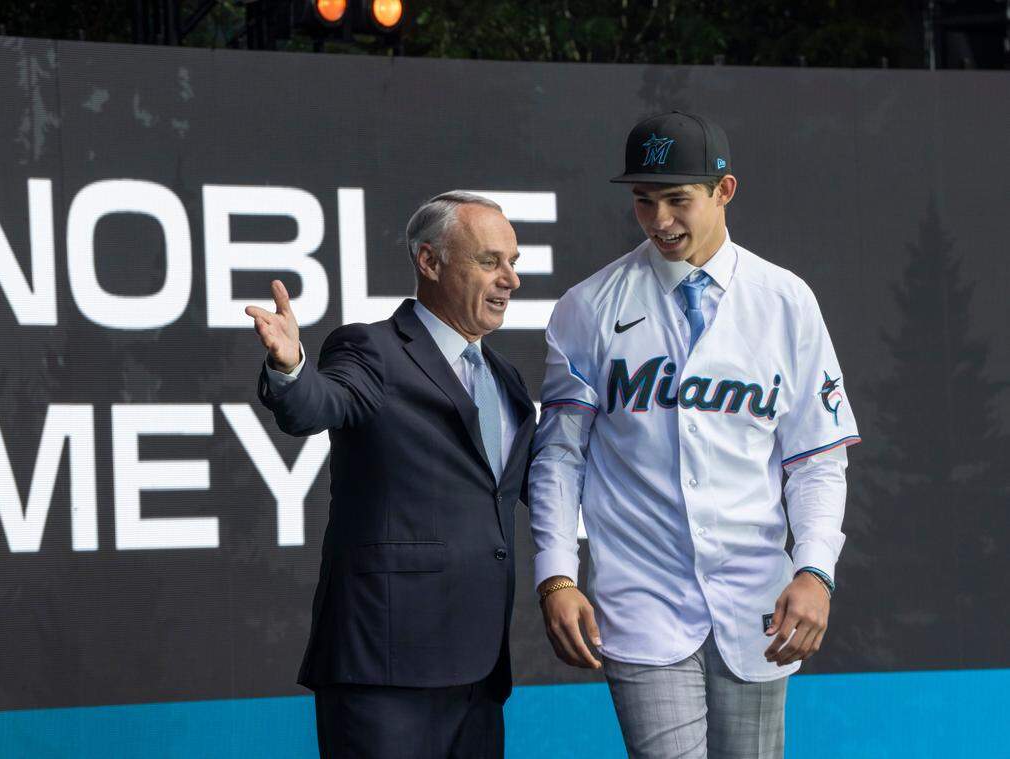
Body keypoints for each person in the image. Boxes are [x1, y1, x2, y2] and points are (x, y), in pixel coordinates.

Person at [529, 111, 860, 758]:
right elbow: (559, 459)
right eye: (644, 201)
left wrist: (816, 568)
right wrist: (557, 575)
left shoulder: (786, 300)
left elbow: (817, 459)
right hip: (642, 597)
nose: (659, 221)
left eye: (677, 199)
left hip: (757, 601)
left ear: (724, 191)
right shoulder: (589, 306)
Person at [248, 191, 535, 758]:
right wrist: (290, 368)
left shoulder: (506, 379)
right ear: (429, 262)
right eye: (489, 261)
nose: (510, 280)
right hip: (385, 668)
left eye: (513, 262)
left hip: (479, 674)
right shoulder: (372, 349)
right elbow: (317, 403)